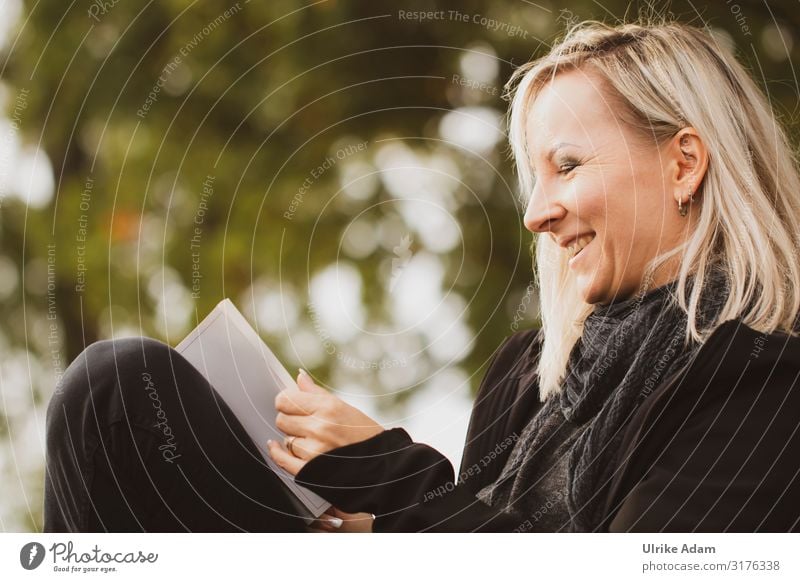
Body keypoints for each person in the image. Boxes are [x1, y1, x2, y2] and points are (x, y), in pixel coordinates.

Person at [44, 19, 800, 533]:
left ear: (684, 163)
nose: (538, 213)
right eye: (532, 180)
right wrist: (365, 528)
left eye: (567, 166)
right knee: (115, 394)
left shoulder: (771, 385)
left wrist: (389, 472)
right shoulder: (526, 377)